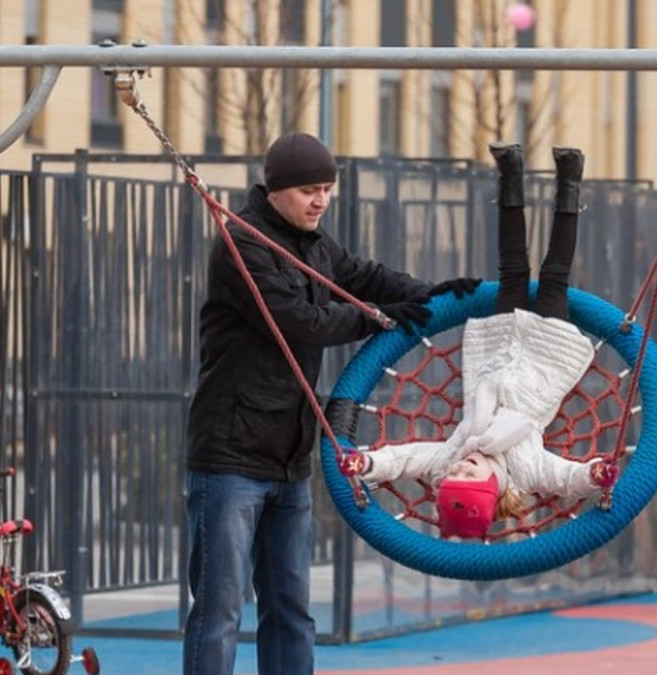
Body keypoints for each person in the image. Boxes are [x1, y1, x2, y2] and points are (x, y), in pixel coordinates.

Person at [183, 131, 479, 675]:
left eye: (326, 189)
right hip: (231, 456)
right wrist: (376, 316)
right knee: (220, 610)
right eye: (308, 190)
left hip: (289, 457)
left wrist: (430, 294)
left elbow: (365, 275)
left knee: (292, 608)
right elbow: (298, 320)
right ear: (275, 190)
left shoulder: (316, 244)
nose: (320, 200)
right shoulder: (243, 246)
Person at [339, 142, 618, 540]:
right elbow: (567, 478)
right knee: (555, 275)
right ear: (491, 485)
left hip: (496, 353)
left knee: (512, 272)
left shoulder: (448, 458)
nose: (460, 464)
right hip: (544, 361)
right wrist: (595, 474)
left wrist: (365, 465)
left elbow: (406, 458)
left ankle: (510, 173)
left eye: (454, 473)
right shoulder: (525, 471)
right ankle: (570, 179)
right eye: (468, 472)